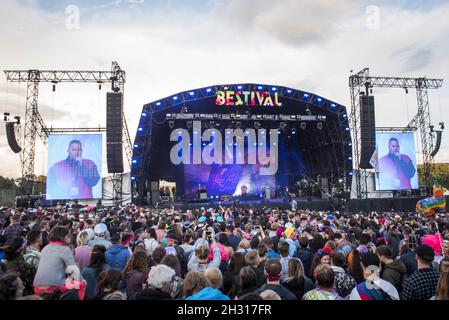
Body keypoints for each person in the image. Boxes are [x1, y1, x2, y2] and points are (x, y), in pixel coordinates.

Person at [33, 226, 86, 299]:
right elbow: (74, 270)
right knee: (81, 284)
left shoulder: (46, 248)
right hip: (53, 288)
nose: (70, 238)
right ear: (62, 237)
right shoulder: (65, 249)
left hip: (37, 287)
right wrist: (82, 280)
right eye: (68, 236)